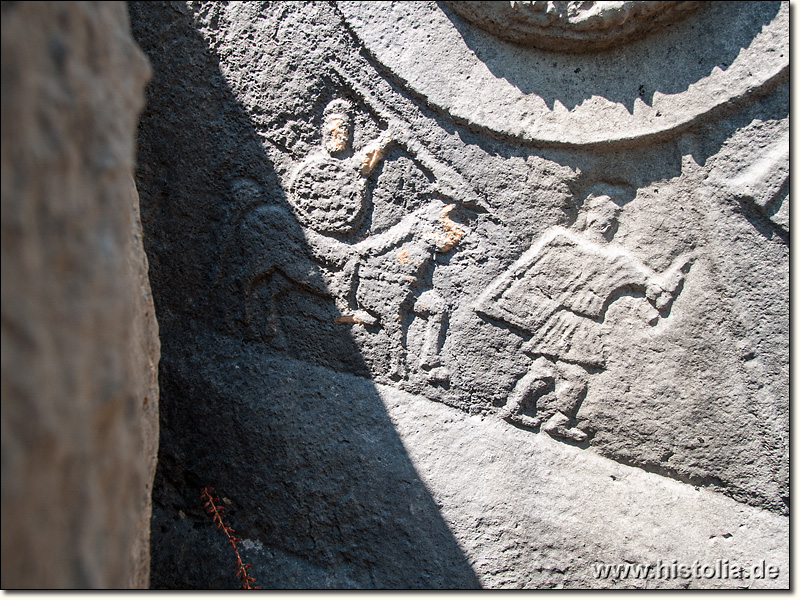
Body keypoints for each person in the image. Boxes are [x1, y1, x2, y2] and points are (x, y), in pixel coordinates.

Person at [475, 189, 692, 441]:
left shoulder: (616, 259)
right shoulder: (574, 246)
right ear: (592, 218)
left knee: (544, 367)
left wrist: (680, 270)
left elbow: (657, 292)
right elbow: (530, 276)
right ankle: (558, 421)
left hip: (575, 322)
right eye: (606, 217)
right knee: (575, 378)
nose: (608, 224)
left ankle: (513, 408)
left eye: (612, 219)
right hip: (575, 323)